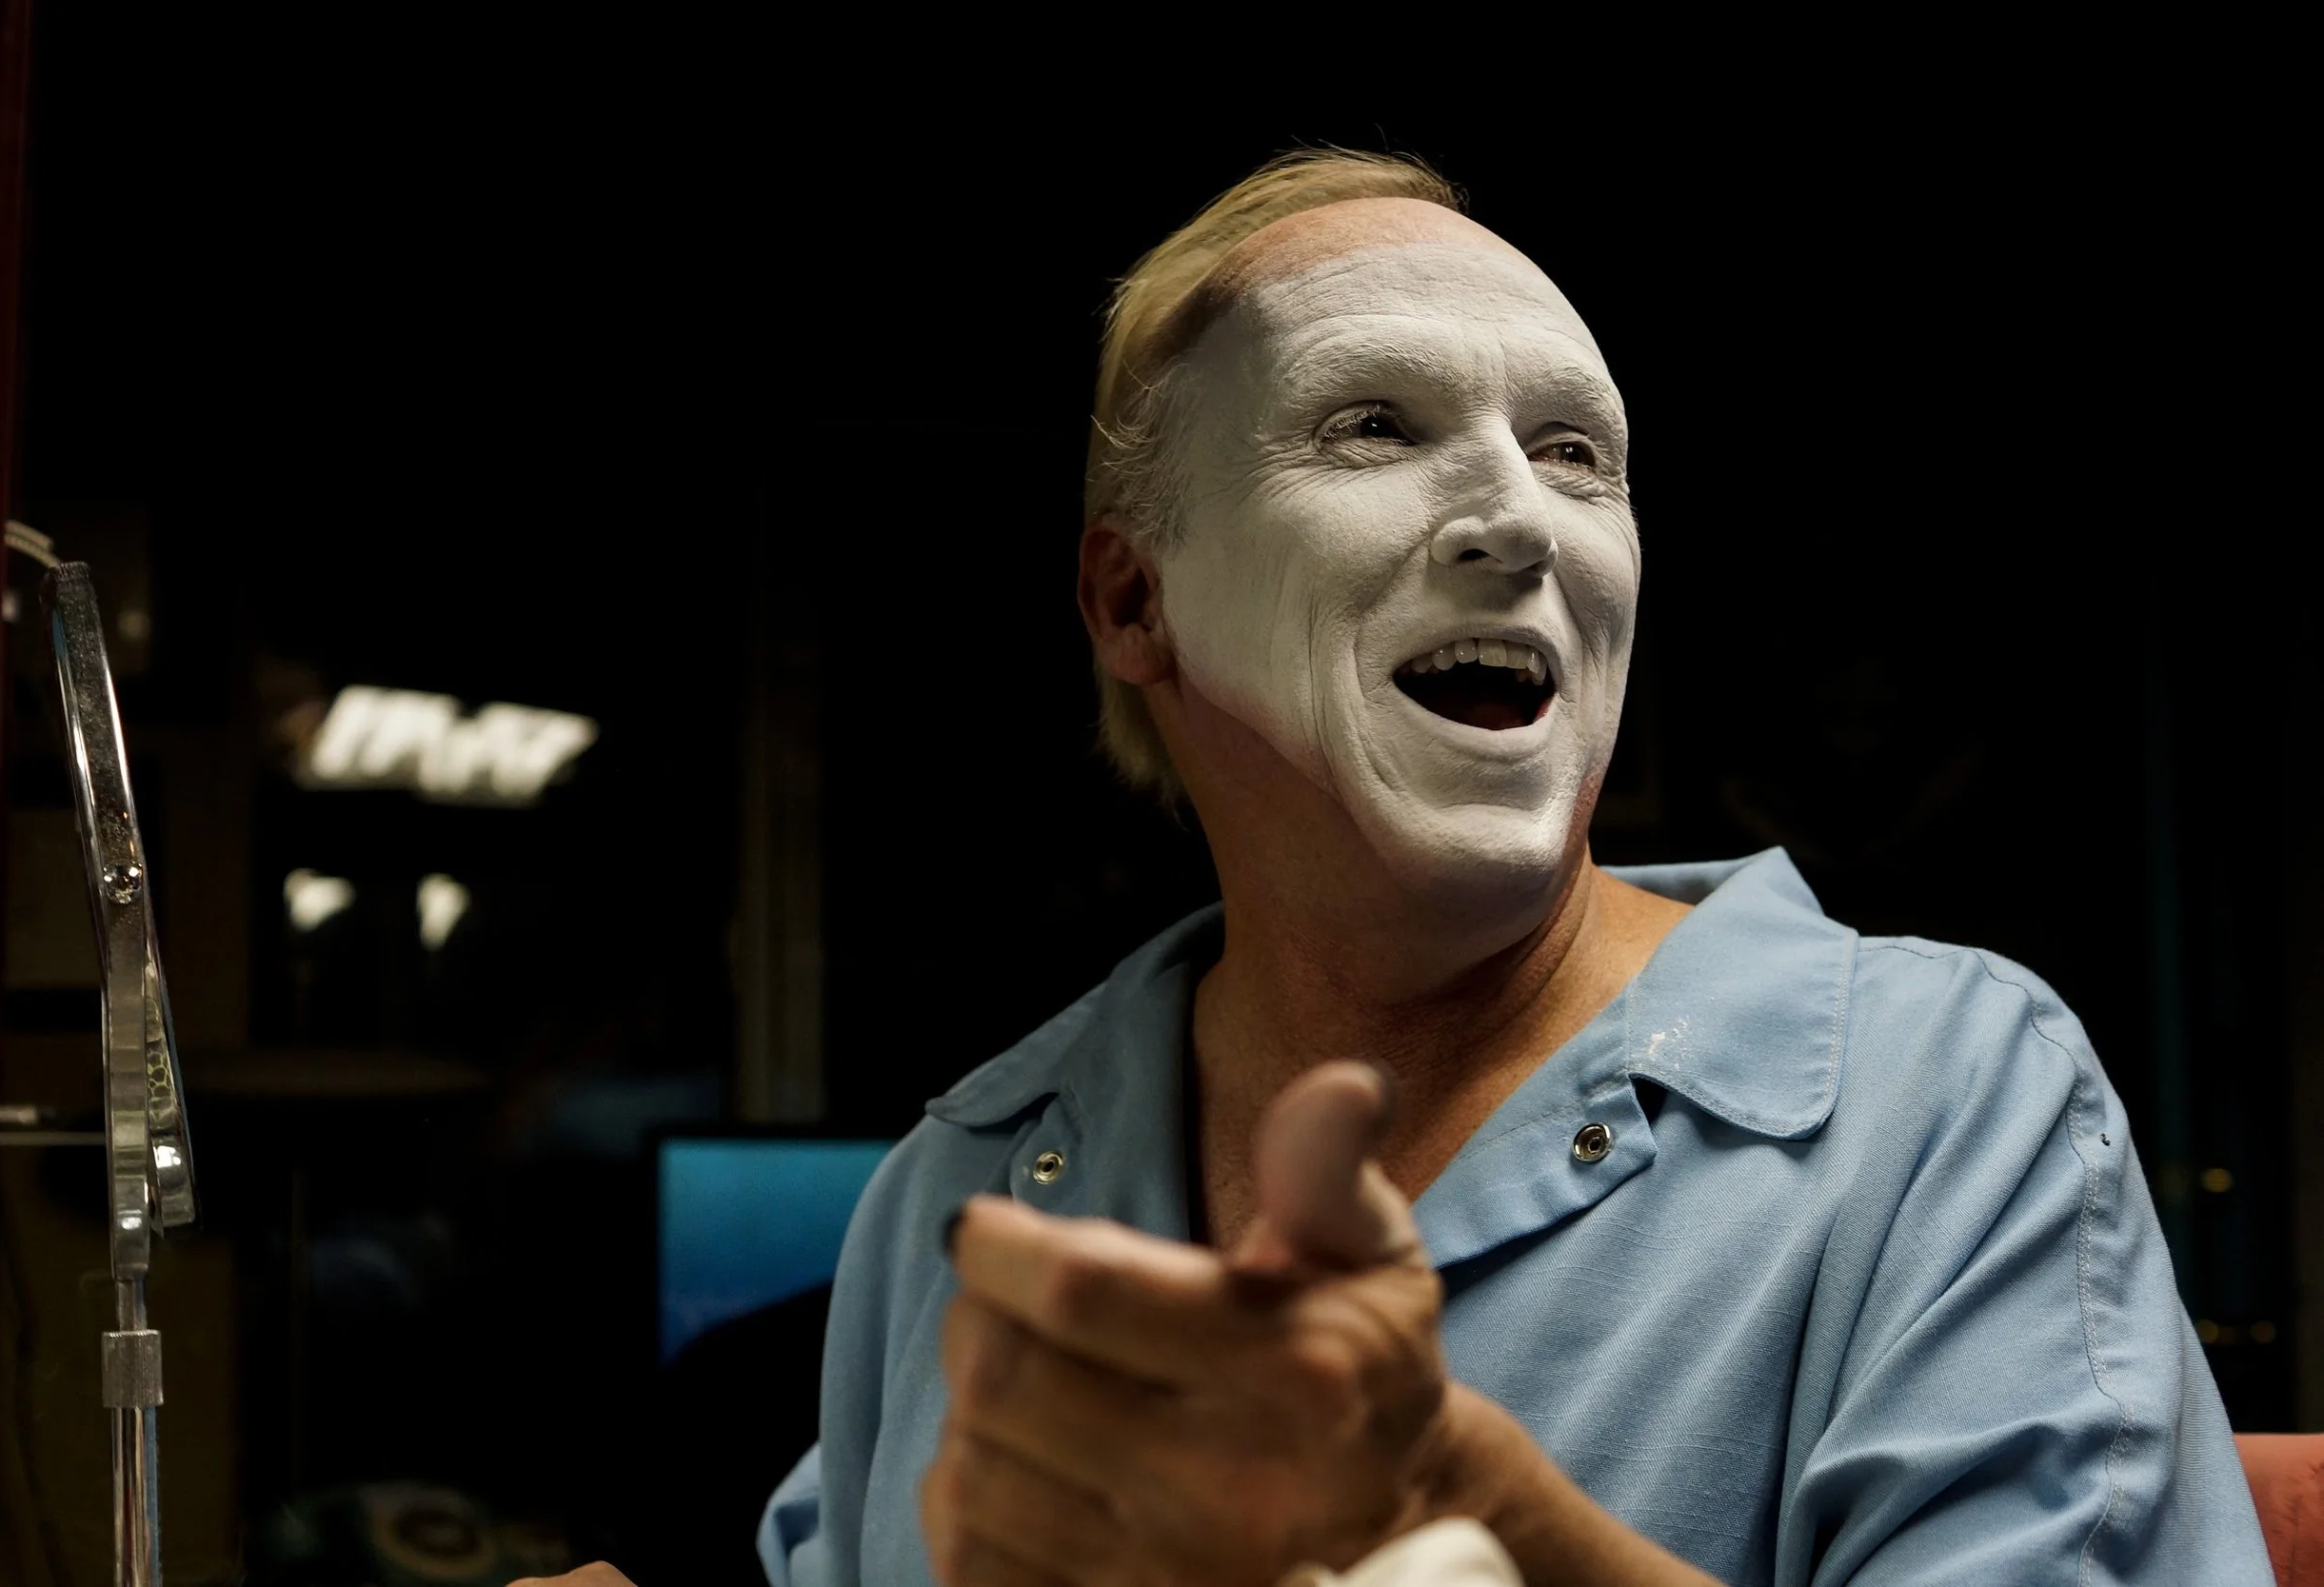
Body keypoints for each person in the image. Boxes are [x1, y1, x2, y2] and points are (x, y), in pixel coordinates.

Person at [742, 149, 2270, 1586]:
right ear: (1136, 597)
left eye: (1573, 453)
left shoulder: (1943, 1099)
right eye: (1375, 426)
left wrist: (1466, 1525)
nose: (1518, 527)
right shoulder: (963, 1180)